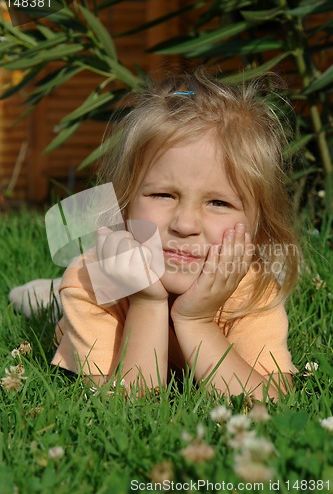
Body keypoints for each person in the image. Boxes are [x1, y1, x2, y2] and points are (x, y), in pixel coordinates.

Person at [10, 68, 300, 399]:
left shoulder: (251, 290)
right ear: (124, 204)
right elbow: (128, 406)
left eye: (218, 202)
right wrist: (146, 301)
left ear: (258, 228)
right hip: (104, 287)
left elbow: (271, 398)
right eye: (163, 195)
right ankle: (46, 297)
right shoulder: (93, 283)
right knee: (52, 300)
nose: (185, 225)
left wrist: (197, 320)